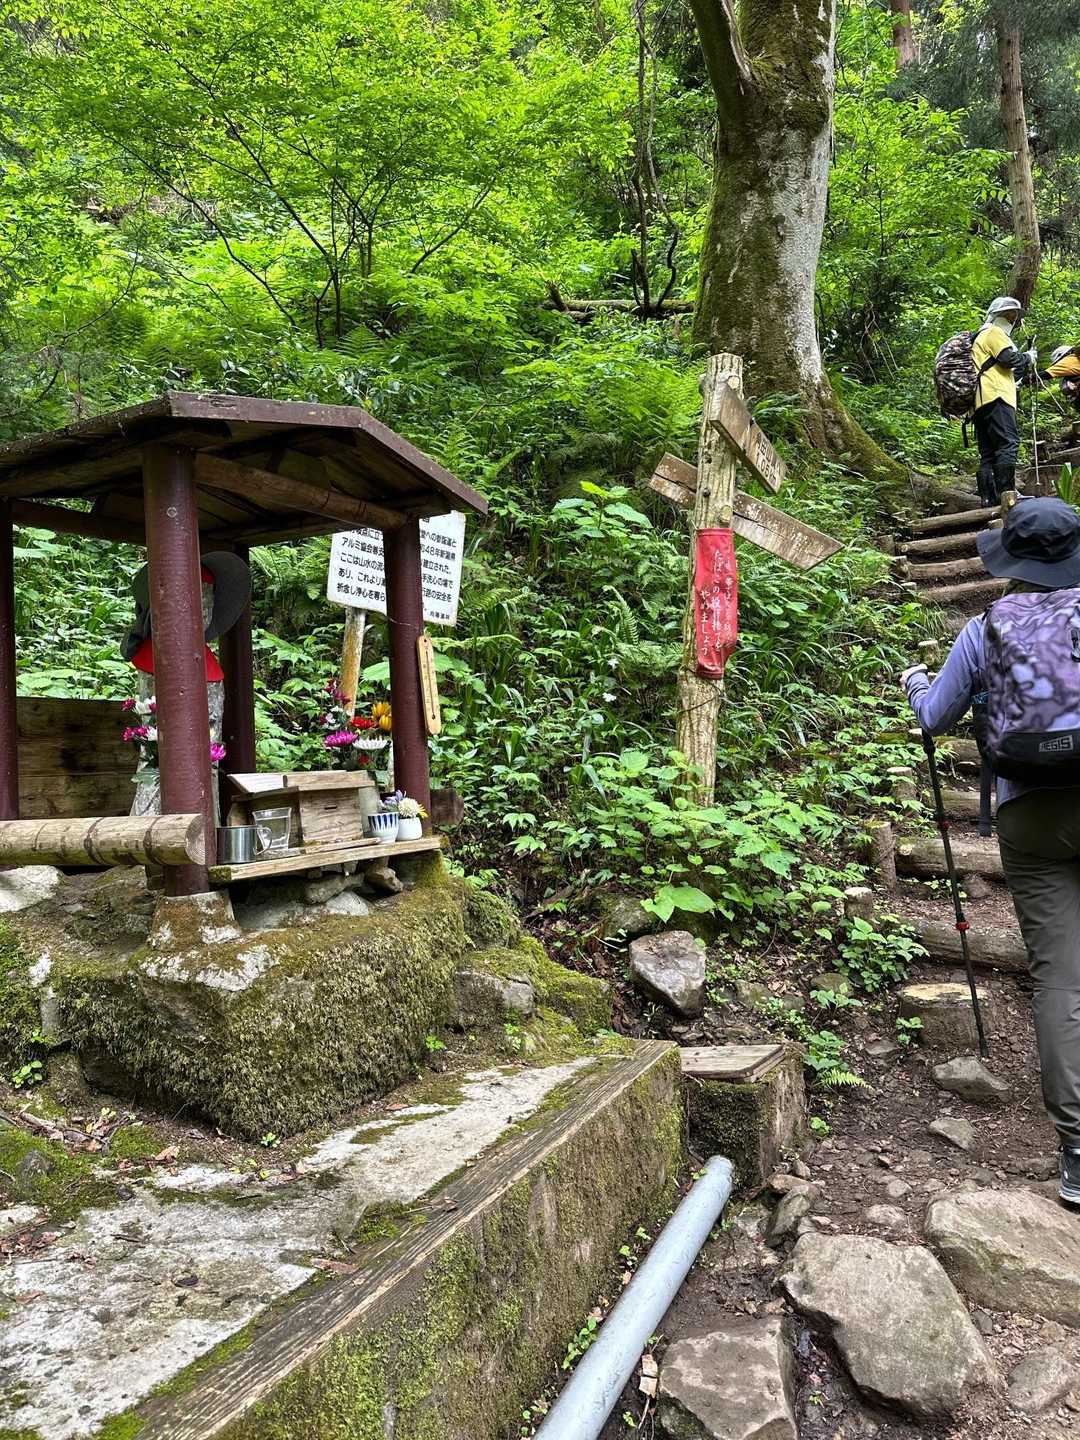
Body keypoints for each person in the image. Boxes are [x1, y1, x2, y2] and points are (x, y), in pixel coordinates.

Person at [900, 496, 1080, 1205]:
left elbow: (934, 717)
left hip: (1029, 813)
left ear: (1010, 559)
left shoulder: (985, 628)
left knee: (1061, 977)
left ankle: (1077, 1151)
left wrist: (915, 682)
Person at [971, 296, 1037, 508]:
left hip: (979, 402)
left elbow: (1006, 368)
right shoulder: (993, 332)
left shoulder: (978, 338)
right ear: (998, 315)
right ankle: (1007, 495)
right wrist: (1028, 357)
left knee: (988, 453)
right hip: (997, 396)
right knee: (1008, 443)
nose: (1012, 319)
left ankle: (988, 499)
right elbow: (1010, 360)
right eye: (1009, 315)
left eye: (1013, 316)